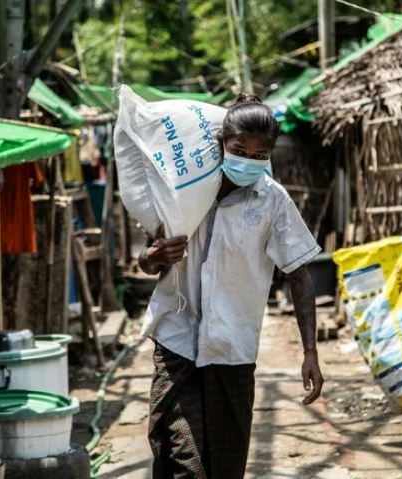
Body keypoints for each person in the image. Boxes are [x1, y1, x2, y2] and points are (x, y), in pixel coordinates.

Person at [138, 93, 324, 479]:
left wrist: (310, 351)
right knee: (182, 461)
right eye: (239, 149)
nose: (248, 160)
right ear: (221, 143)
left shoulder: (272, 201)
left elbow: (300, 275)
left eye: (259, 154)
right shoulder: (185, 190)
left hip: (233, 350)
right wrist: (158, 256)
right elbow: (144, 260)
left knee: (225, 465)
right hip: (177, 343)